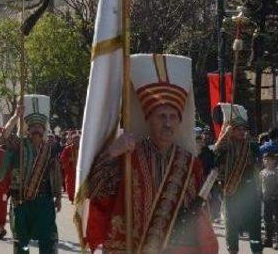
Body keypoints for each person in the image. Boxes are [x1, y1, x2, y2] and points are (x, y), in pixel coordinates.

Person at [84, 54, 218, 253]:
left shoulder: (190, 163)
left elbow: (200, 215)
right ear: (149, 119)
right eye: (161, 116)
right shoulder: (129, 156)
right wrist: (113, 151)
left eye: (173, 117)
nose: (168, 123)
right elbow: (93, 190)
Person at [1, 95, 62, 254]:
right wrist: (16, 116)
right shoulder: (20, 145)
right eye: (33, 126)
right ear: (27, 130)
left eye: (39, 126)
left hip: (44, 201)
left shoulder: (50, 149)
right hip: (22, 201)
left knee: (47, 240)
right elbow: (5, 135)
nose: (36, 129)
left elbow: (56, 173)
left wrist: (59, 198)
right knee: (22, 242)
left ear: (44, 130)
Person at [214, 103, 262, 254]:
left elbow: (258, 158)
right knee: (231, 224)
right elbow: (216, 151)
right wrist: (225, 134)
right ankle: (233, 250)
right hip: (231, 190)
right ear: (231, 130)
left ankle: (256, 249)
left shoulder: (251, 145)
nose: (242, 132)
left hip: (249, 190)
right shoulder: (226, 145)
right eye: (238, 129)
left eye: (243, 129)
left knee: (254, 224)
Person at [260, 152, 278, 249]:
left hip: (275, 200)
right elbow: (260, 186)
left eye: (269, 159)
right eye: (265, 159)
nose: (266, 161)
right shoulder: (262, 172)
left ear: (274, 161)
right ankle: (268, 240)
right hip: (266, 201)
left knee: (276, 220)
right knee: (267, 221)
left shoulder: (276, 172)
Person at [59, 131, 79, 204]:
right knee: (71, 186)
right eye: (75, 139)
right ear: (72, 140)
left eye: (78, 139)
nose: (77, 141)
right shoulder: (68, 149)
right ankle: (72, 199)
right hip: (71, 170)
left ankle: (79, 198)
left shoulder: (83, 148)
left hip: (80, 171)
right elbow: (62, 158)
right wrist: (69, 159)